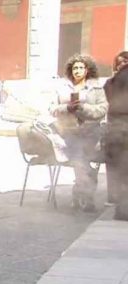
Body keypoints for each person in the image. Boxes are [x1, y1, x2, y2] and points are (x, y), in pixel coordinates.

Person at [51, 54, 107, 212]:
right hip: (69, 132)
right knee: (80, 159)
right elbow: (51, 109)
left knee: (83, 160)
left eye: (81, 67)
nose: (78, 70)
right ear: (71, 70)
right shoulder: (62, 88)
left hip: (91, 132)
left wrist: (84, 108)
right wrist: (66, 108)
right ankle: (86, 197)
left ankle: (80, 194)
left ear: (87, 70)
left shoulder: (96, 88)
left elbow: (103, 109)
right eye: (75, 68)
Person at [105, 51, 128, 220]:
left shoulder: (111, 82)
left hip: (115, 130)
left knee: (118, 170)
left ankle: (120, 208)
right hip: (121, 129)